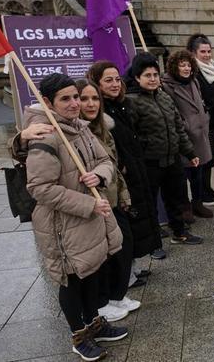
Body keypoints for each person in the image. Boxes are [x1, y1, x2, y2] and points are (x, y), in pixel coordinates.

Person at [11, 73, 127, 361]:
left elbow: (104, 160)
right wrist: (87, 205)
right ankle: (78, 334)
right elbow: (40, 188)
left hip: (89, 220)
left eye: (76, 96)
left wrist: (98, 176)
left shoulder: (80, 128)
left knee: (92, 273)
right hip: (64, 224)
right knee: (72, 279)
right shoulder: (45, 135)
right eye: (66, 99)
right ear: (48, 102)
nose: (75, 103)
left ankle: (94, 323)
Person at [74, 80, 141, 322]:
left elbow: (114, 167)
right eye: (84, 98)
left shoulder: (104, 127)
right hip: (92, 204)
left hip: (111, 198)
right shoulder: (71, 131)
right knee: (100, 256)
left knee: (122, 247)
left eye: (94, 99)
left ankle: (115, 295)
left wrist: (123, 196)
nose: (90, 104)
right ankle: (100, 303)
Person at [87, 61, 164, 264]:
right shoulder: (100, 112)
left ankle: (139, 260)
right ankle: (129, 267)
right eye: (108, 80)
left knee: (141, 212)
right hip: (119, 173)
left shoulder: (123, 105)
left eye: (117, 79)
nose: (114, 84)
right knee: (129, 218)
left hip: (137, 165)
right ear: (96, 83)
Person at [126, 53, 203, 245]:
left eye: (155, 75)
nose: (152, 79)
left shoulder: (164, 97)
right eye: (147, 75)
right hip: (149, 162)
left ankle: (179, 232)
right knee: (149, 202)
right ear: (137, 77)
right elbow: (130, 136)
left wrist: (190, 152)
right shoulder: (131, 101)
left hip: (172, 158)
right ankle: (154, 240)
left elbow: (178, 127)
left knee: (176, 197)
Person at [161, 50, 214, 219]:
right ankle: (185, 206)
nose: (186, 68)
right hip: (183, 137)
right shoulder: (167, 85)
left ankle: (197, 203)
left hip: (200, 134)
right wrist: (186, 125)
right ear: (174, 67)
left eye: (188, 64)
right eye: (182, 65)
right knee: (183, 175)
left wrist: (204, 119)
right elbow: (172, 111)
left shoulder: (194, 82)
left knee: (198, 172)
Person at [186, 33, 214, 203]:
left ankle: (207, 188)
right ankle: (201, 193)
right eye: (203, 52)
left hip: (213, 122)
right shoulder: (193, 73)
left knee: (210, 158)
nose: (207, 55)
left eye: (209, 51)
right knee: (201, 160)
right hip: (200, 123)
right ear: (194, 53)